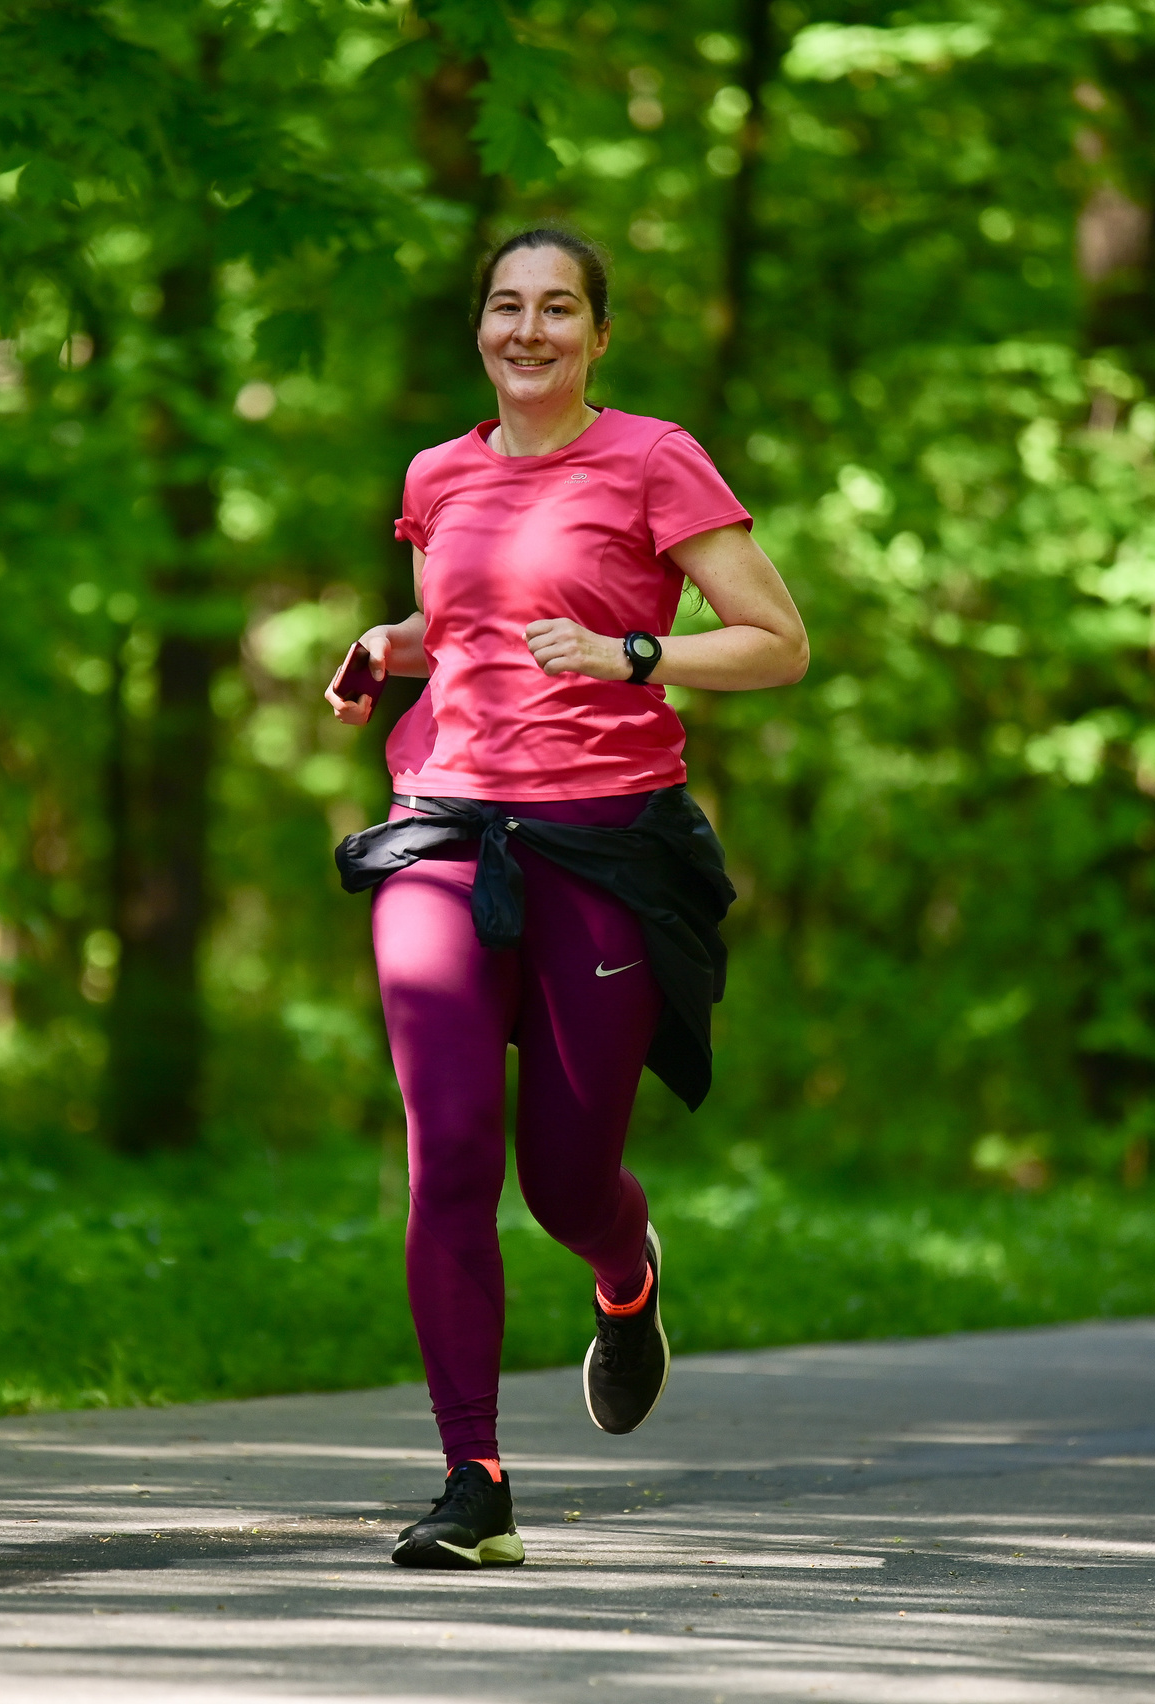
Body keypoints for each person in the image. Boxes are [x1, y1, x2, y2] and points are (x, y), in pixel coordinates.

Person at [323, 227, 808, 1570]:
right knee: (452, 1152)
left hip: (604, 850)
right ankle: (472, 1481)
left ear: (599, 334)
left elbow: (779, 641)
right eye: (502, 306)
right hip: (444, 830)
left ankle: (625, 1273)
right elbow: (464, 626)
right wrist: (387, 643)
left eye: (556, 310)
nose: (525, 329)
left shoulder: (655, 459)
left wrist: (635, 651)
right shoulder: (439, 473)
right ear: (477, 326)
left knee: (564, 1179)